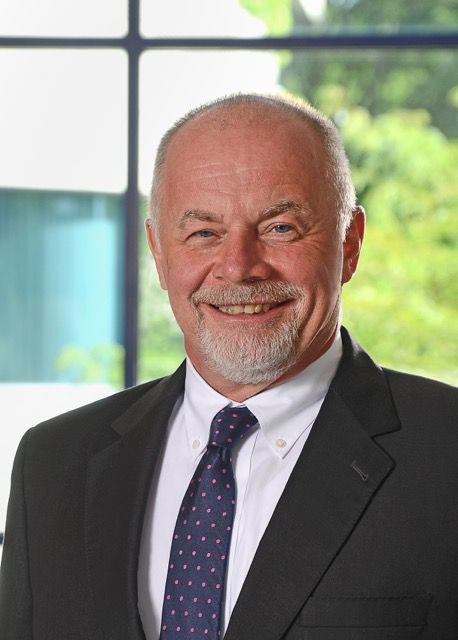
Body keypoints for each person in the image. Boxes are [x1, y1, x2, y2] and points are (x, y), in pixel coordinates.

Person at [0, 93, 457, 640]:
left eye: (281, 227)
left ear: (350, 245)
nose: (239, 267)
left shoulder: (447, 453)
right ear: (159, 253)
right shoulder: (53, 464)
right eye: (204, 233)